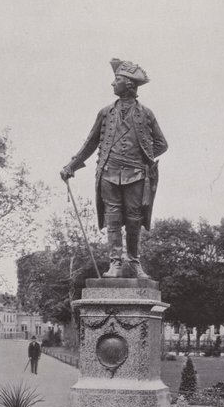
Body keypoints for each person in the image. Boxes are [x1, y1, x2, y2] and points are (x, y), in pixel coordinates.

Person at [60, 58, 168, 278]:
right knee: (113, 219)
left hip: (136, 175)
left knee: (134, 219)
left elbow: (162, 144)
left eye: (117, 80)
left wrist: (143, 157)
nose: (112, 84)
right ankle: (115, 264)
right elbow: (91, 142)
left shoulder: (146, 113)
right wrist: (72, 165)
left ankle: (134, 263)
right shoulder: (105, 113)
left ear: (129, 84)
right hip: (108, 173)